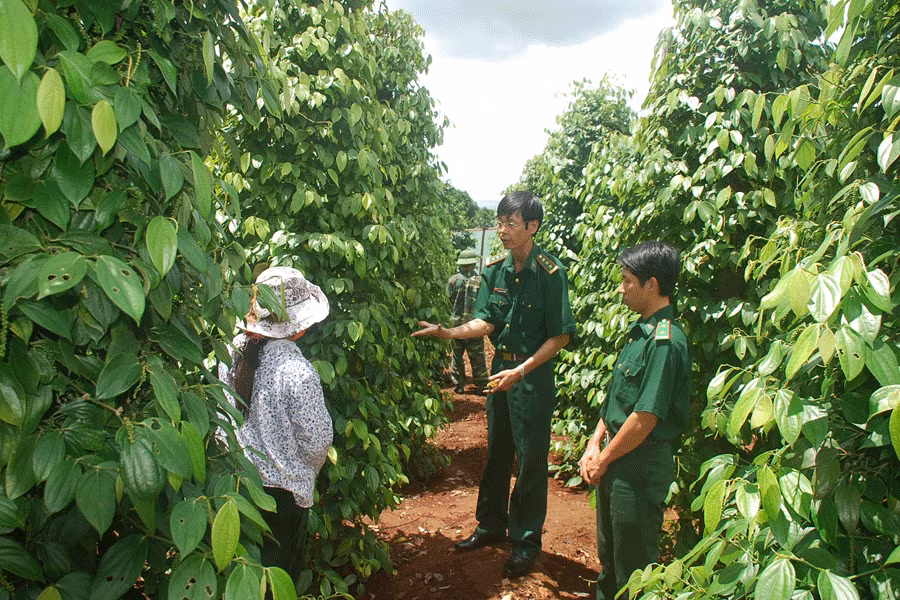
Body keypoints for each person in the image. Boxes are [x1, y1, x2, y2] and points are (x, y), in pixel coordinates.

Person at [413, 191, 576, 578]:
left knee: (531, 460)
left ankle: (525, 541)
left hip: (530, 376)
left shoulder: (551, 274)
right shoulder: (495, 271)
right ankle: (490, 526)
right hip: (500, 374)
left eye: (510, 223)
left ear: (532, 227)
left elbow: (561, 336)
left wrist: (521, 371)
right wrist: (449, 332)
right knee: (497, 453)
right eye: (500, 222)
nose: (502, 230)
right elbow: (485, 321)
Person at [577, 242, 692, 600]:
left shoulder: (665, 342)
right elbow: (617, 398)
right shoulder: (639, 332)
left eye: (627, 281)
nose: (621, 288)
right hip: (617, 457)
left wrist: (605, 457)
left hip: (638, 465)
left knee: (634, 570)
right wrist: (593, 443)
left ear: (652, 285)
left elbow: (644, 419)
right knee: (610, 560)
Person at [219, 266, 332, 581]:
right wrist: (302, 471)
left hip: (234, 486)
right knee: (276, 580)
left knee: (239, 578)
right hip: (281, 498)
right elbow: (318, 441)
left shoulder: (230, 354)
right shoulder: (298, 372)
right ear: (299, 326)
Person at [447, 248, 490, 394]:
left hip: (456, 326)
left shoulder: (453, 280)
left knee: (457, 356)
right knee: (477, 356)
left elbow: (449, 301)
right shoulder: (480, 281)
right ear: (473, 264)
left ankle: (459, 384)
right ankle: (481, 385)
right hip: (474, 326)